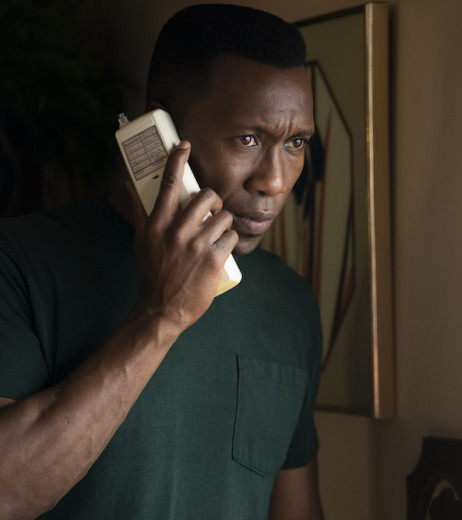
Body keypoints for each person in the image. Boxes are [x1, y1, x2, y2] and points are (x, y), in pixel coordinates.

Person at [0, 4, 325, 518]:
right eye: (248, 139)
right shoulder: (20, 262)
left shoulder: (290, 302)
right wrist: (161, 315)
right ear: (163, 129)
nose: (276, 181)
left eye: (296, 143)